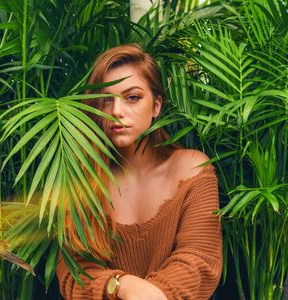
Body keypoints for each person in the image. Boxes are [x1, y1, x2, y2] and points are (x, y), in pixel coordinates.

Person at [56, 44, 222, 300]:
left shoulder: (191, 169)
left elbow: (199, 262)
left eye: (132, 97)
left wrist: (148, 293)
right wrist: (120, 285)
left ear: (156, 106)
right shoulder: (83, 179)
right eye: (105, 100)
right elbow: (72, 272)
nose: (116, 112)